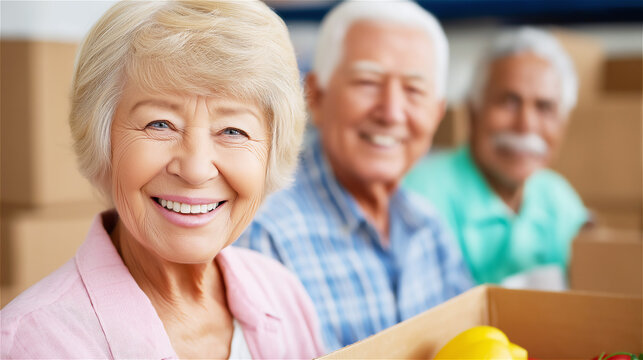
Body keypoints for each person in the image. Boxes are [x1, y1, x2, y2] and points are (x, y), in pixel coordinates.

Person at [0, 1, 325, 358]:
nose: (196, 168)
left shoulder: (283, 294)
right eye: (160, 124)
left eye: (233, 130)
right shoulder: (33, 342)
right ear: (102, 138)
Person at [236, 0, 473, 350]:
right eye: (367, 82)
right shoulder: (265, 233)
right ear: (315, 96)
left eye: (414, 90)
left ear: (437, 114)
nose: (391, 112)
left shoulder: (428, 225)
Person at [404, 27, 588, 286]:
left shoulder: (558, 198)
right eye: (509, 102)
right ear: (473, 111)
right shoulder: (421, 195)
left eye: (544, 107)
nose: (526, 125)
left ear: (563, 125)